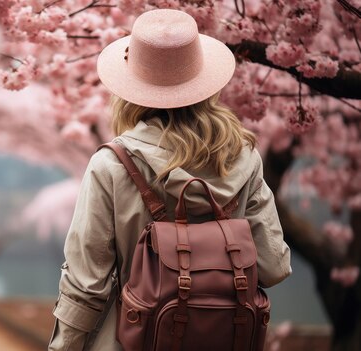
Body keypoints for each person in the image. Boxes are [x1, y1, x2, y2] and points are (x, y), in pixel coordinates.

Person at [47, 8, 292, 351]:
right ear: (205, 84)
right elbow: (273, 266)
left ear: (130, 90)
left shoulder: (112, 165)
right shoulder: (244, 158)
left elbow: (86, 286)